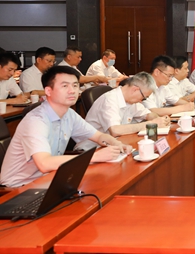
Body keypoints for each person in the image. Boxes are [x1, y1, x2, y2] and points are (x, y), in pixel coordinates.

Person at [0, 66, 132, 187]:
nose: (72, 91)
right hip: (18, 188)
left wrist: (118, 144)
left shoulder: (69, 114)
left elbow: (99, 136)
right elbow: (44, 164)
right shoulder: (36, 121)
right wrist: (95, 157)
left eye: (75, 85)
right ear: (48, 91)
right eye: (65, 86)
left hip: (49, 178)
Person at [75, 72, 168, 151]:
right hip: (91, 150)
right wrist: (149, 124)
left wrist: (160, 120)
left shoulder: (131, 100)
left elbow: (148, 114)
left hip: (115, 145)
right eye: (144, 98)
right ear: (135, 90)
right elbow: (115, 130)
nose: (141, 101)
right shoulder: (109, 100)